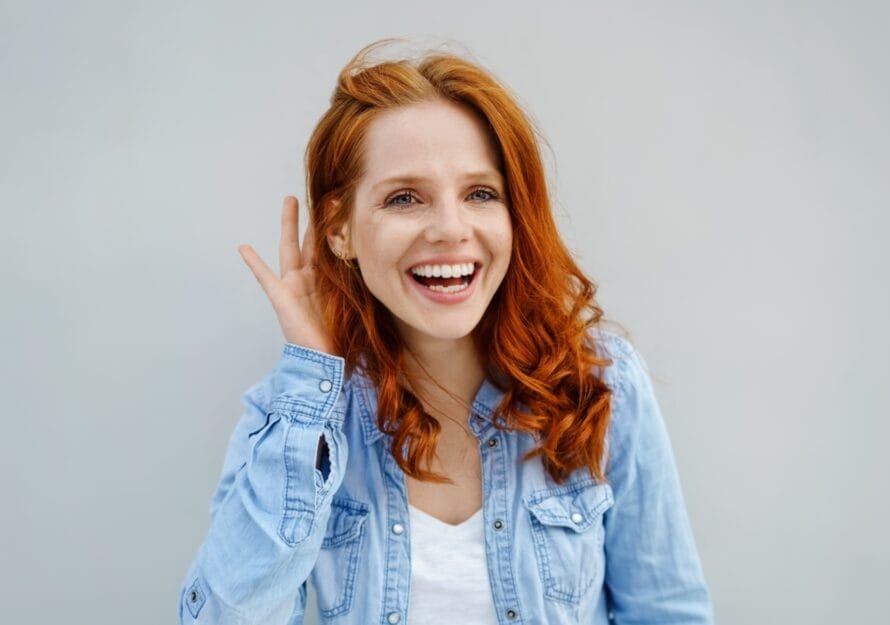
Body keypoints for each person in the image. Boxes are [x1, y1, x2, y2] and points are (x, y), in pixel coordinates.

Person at [178, 40, 713, 625]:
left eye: (480, 193)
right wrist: (312, 386)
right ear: (339, 231)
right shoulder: (291, 419)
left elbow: (669, 613)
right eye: (405, 198)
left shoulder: (602, 383)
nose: (451, 229)